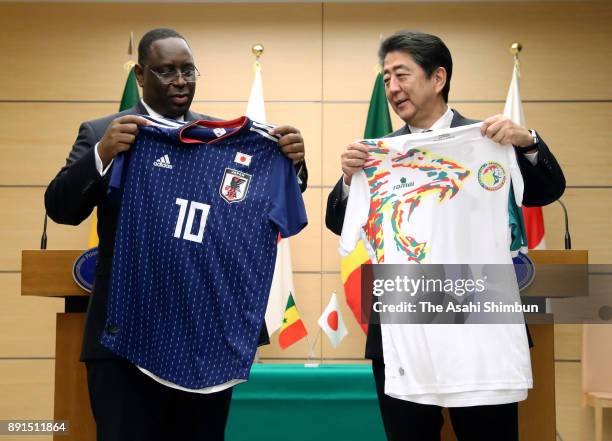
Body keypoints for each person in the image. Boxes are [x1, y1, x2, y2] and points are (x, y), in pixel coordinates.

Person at [45, 28, 307, 441]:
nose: (181, 80)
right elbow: (59, 207)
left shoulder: (222, 137)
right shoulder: (105, 132)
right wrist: (103, 155)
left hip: (204, 336)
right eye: (167, 72)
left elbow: (260, 202)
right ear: (140, 75)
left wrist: (290, 162)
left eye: (188, 70)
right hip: (122, 339)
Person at [325, 31, 565, 441]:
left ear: (438, 78)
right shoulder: (380, 152)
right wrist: (350, 179)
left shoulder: (489, 138)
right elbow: (338, 222)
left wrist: (526, 144)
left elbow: (547, 190)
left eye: (401, 75)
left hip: (479, 316)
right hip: (403, 322)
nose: (393, 88)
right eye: (386, 79)